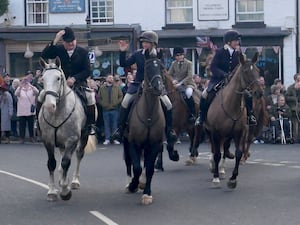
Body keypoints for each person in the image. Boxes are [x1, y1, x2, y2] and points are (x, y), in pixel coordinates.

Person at [111, 30, 177, 143]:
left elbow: (161, 71)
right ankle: (120, 129)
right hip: (138, 84)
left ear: (154, 44)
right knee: (125, 102)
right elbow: (124, 64)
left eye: (147, 42)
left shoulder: (159, 55)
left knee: (168, 104)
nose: (144, 44)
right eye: (143, 42)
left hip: (155, 86)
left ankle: (169, 130)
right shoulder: (138, 54)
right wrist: (122, 52)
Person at [40, 27, 96, 135]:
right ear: (63, 42)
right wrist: (55, 40)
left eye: (72, 41)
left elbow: (87, 70)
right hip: (59, 84)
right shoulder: (58, 50)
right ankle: (38, 122)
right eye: (68, 42)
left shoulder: (83, 52)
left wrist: (74, 78)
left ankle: (90, 125)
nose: (71, 44)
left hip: (78, 83)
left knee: (90, 97)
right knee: (42, 95)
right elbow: (44, 55)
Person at [195, 30, 257, 126]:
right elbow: (213, 67)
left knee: (247, 95)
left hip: (234, 82)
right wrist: (223, 74)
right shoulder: (220, 52)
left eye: (238, 40)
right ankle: (201, 116)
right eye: (235, 40)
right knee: (205, 94)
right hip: (218, 79)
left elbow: (242, 69)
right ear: (229, 42)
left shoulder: (240, 54)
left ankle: (250, 116)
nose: (237, 42)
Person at [168, 47, 196, 123]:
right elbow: (169, 74)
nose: (179, 57)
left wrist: (180, 83)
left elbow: (189, 76)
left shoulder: (189, 63)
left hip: (188, 84)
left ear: (183, 55)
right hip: (177, 84)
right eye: (177, 55)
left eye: (180, 55)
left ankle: (192, 113)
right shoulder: (174, 63)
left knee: (188, 93)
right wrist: (173, 80)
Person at [98, 74, 123, 145]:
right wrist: (103, 104)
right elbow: (99, 98)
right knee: (107, 125)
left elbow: (121, 96)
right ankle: (107, 139)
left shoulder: (117, 87)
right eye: (109, 78)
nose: (111, 79)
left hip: (114, 109)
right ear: (106, 79)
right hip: (105, 109)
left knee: (115, 125)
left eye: (112, 78)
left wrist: (116, 103)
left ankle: (114, 139)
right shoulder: (102, 88)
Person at [15, 77, 39, 143]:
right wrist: (20, 86)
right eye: (24, 81)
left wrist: (30, 85)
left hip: (30, 111)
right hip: (21, 110)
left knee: (31, 125)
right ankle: (21, 138)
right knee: (21, 126)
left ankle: (32, 137)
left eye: (26, 81)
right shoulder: (20, 89)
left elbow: (37, 92)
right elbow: (16, 94)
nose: (25, 83)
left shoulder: (32, 88)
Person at [285, 73, 300, 142]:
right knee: (295, 124)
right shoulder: (290, 88)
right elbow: (286, 97)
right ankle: (295, 138)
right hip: (294, 109)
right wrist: (294, 97)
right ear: (295, 80)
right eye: (298, 80)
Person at [0, 76, 13, 144]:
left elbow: (10, 104)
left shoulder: (8, 95)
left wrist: (10, 112)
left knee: (6, 126)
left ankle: (8, 138)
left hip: (5, 112)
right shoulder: (1, 95)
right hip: (1, 112)